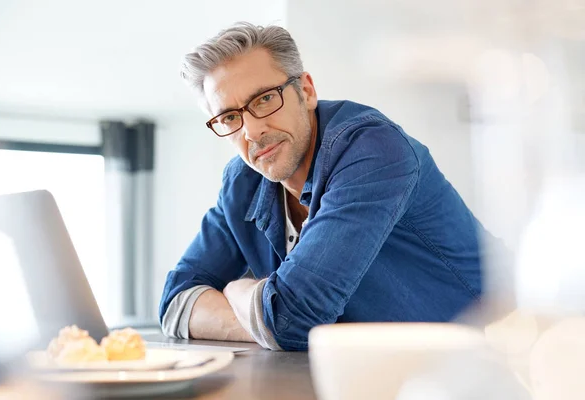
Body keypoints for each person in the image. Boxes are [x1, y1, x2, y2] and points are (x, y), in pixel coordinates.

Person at [159, 22, 487, 351]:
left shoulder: (374, 151)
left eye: (265, 99)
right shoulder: (242, 184)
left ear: (306, 91)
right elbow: (176, 304)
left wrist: (237, 291)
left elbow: (293, 319)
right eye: (230, 117)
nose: (253, 132)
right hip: (359, 375)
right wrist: (264, 318)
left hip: (481, 369)